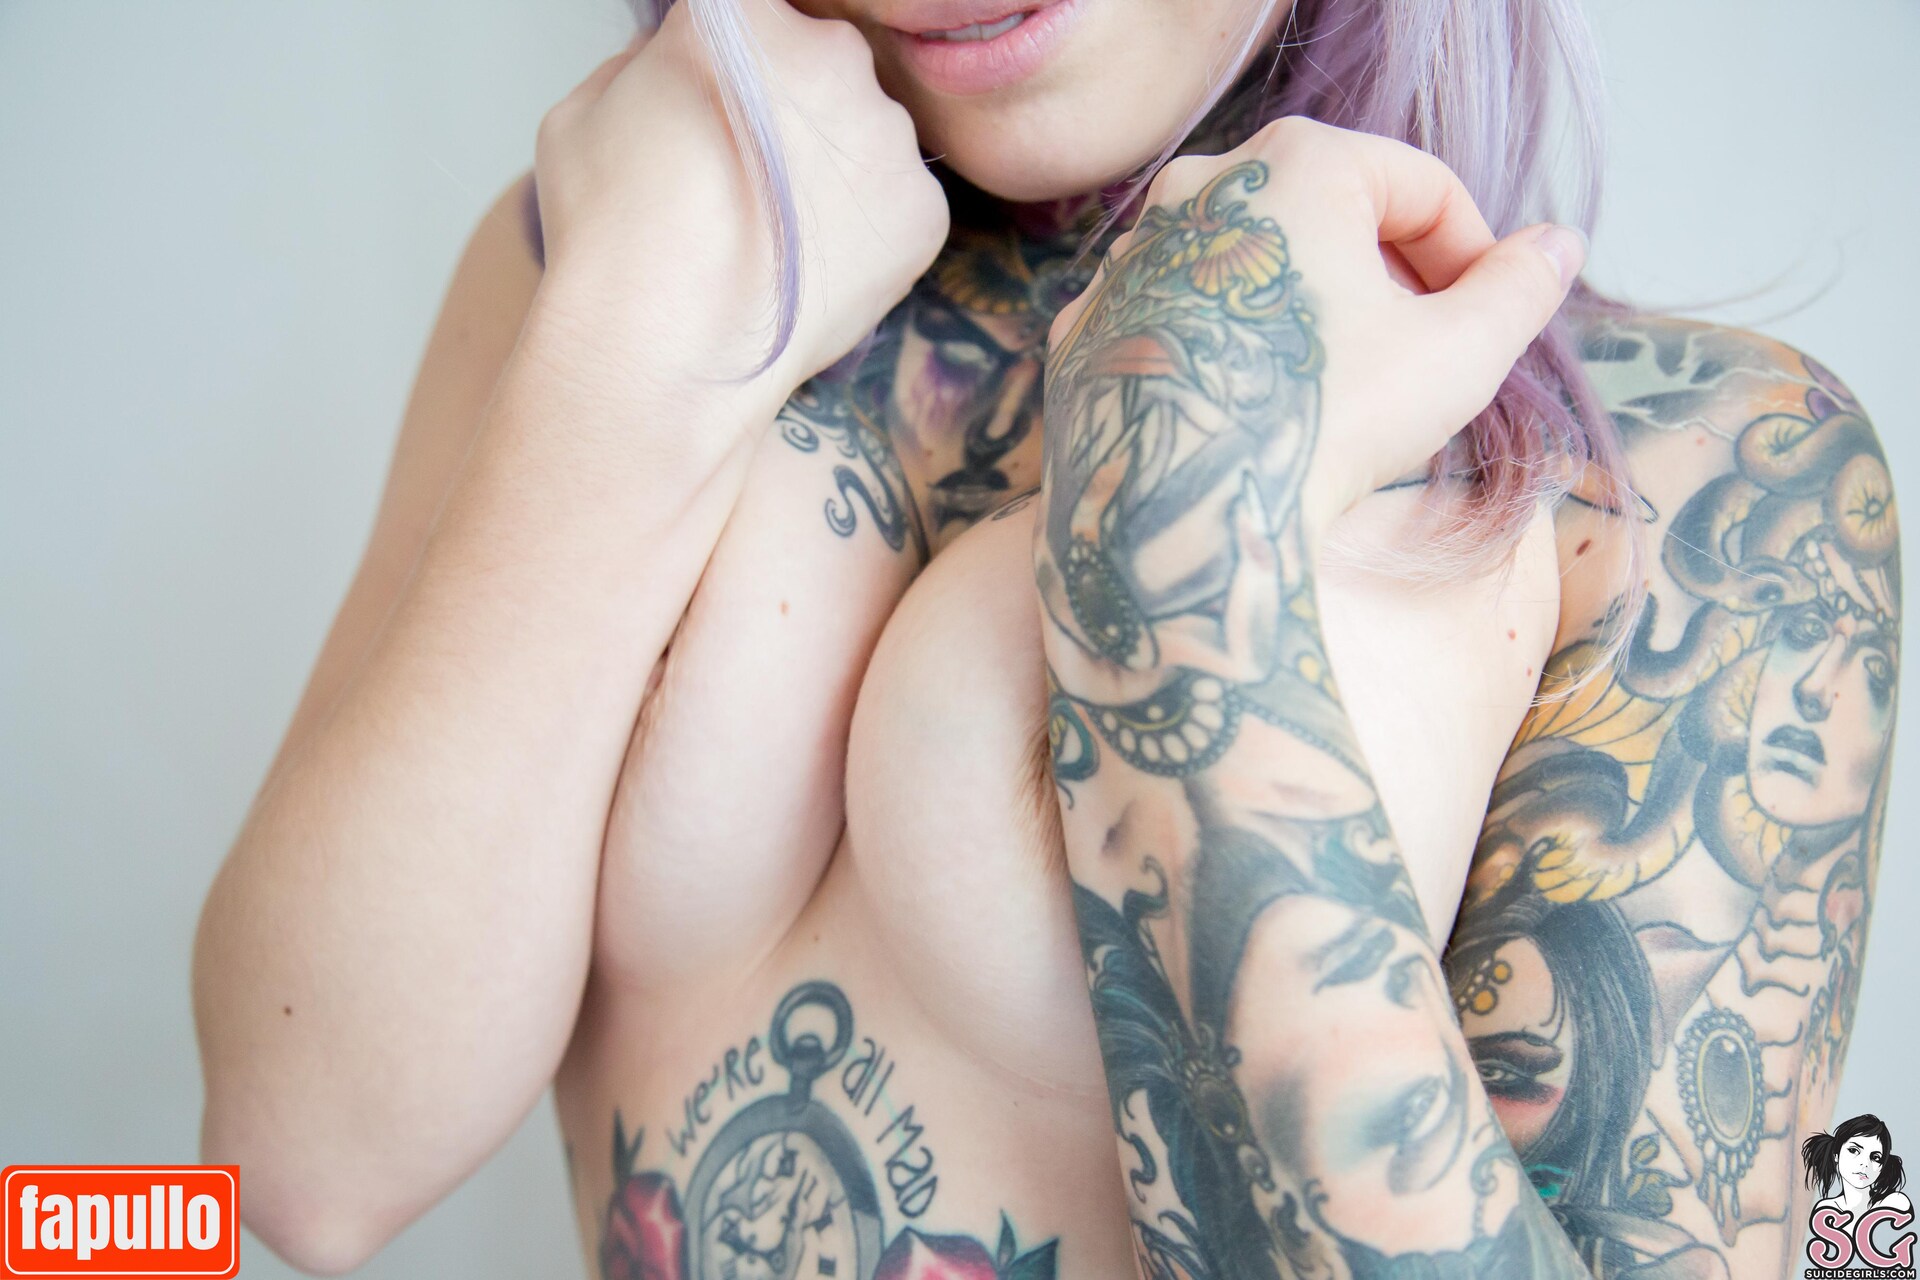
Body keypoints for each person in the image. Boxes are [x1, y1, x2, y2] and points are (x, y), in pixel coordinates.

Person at [188, 0, 1898, 1276]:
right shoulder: (617, 254)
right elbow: (302, 1166)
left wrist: (1180, 539)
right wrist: (623, 349)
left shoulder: (1698, 480)